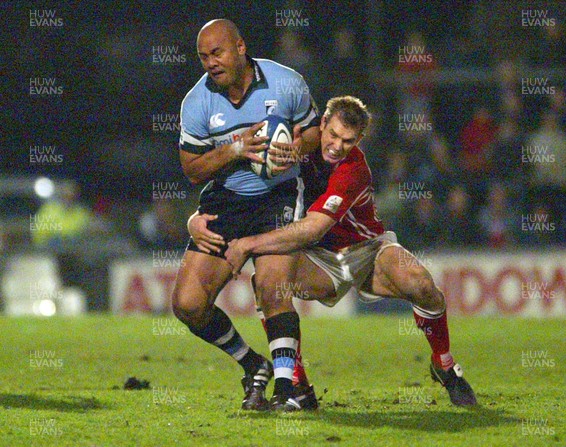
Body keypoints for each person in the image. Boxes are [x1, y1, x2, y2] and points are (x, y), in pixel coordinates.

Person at [191, 96, 477, 409]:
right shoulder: (290, 147)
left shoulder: (353, 169)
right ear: (322, 124)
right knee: (268, 282)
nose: (337, 146)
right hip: (317, 257)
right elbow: (238, 189)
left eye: (348, 141)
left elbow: (313, 227)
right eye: (333, 135)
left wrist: (246, 243)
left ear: (359, 140)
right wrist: (196, 219)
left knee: (422, 285)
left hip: (367, 249)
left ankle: (445, 366)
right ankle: (298, 387)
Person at [173, 19, 320, 412]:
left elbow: (314, 132)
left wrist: (297, 150)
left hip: (278, 195)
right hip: (227, 201)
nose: (210, 63)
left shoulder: (286, 82)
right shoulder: (197, 102)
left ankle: (289, 391)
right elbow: (192, 169)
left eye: (217, 53)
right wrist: (235, 149)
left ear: (240, 47)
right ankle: (253, 363)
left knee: (273, 288)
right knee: (188, 304)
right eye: (203, 57)